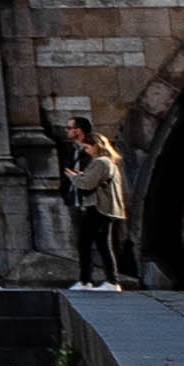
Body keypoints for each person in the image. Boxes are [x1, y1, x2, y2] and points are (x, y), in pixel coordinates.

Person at [53, 104, 134, 291]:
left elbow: (88, 182)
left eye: (88, 147)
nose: (86, 150)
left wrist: (74, 177)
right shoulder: (105, 162)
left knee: (87, 243)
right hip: (101, 206)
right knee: (102, 243)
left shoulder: (100, 162)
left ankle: (89, 281)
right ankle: (109, 281)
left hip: (97, 206)